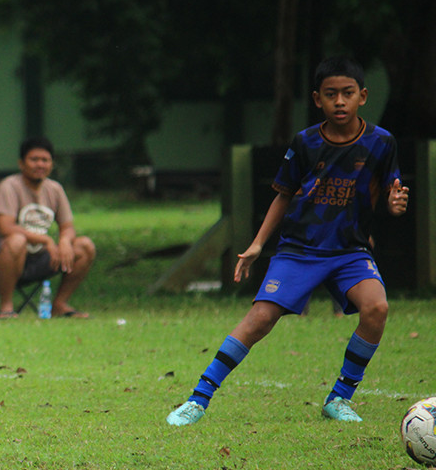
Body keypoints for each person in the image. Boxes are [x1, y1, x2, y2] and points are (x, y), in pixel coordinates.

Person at [166, 56, 409, 426]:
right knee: (260, 319)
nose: (339, 101)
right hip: (299, 250)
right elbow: (283, 195)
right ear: (316, 99)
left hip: (350, 251)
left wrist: (395, 204)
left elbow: (392, 191)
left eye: (347, 93)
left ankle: (339, 398)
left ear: (362, 96)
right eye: (330, 94)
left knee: (376, 308)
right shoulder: (306, 142)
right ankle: (198, 399)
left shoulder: (382, 142)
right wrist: (257, 244)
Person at [0, 136, 96, 319]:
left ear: (52, 164)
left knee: (84, 246)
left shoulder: (55, 189)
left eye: (45, 160)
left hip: (37, 259)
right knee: (17, 241)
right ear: (21, 163)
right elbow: (6, 227)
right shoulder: (9, 186)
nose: (40, 164)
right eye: (34, 159)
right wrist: (46, 240)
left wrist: (64, 242)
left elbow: (67, 227)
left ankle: (59, 305)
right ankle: (6, 307)